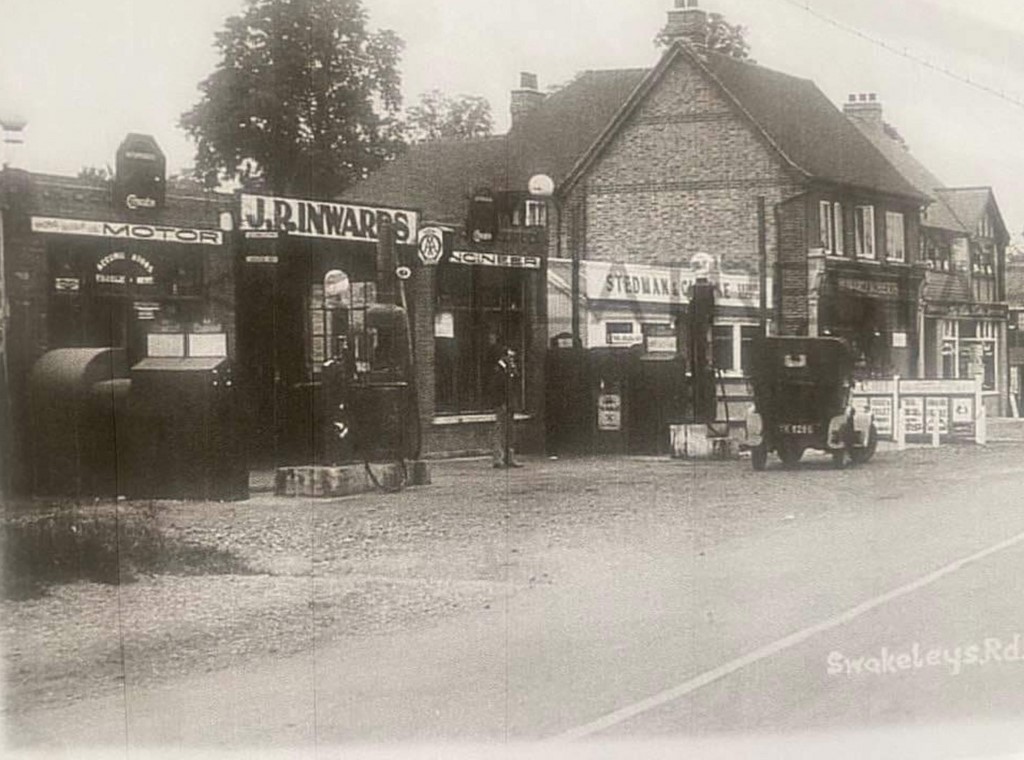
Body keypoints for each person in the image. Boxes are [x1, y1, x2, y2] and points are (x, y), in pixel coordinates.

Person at [489, 344, 523, 468]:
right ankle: (498, 458)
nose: (512, 358)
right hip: (502, 403)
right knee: (500, 429)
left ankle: (510, 457)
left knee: (510, 430)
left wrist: (513, 370)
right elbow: (496, 388)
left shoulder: (510, 369)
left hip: (510, 402)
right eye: (509, 355)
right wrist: (500, 403)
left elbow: (515, 383)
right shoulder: (497, 369)